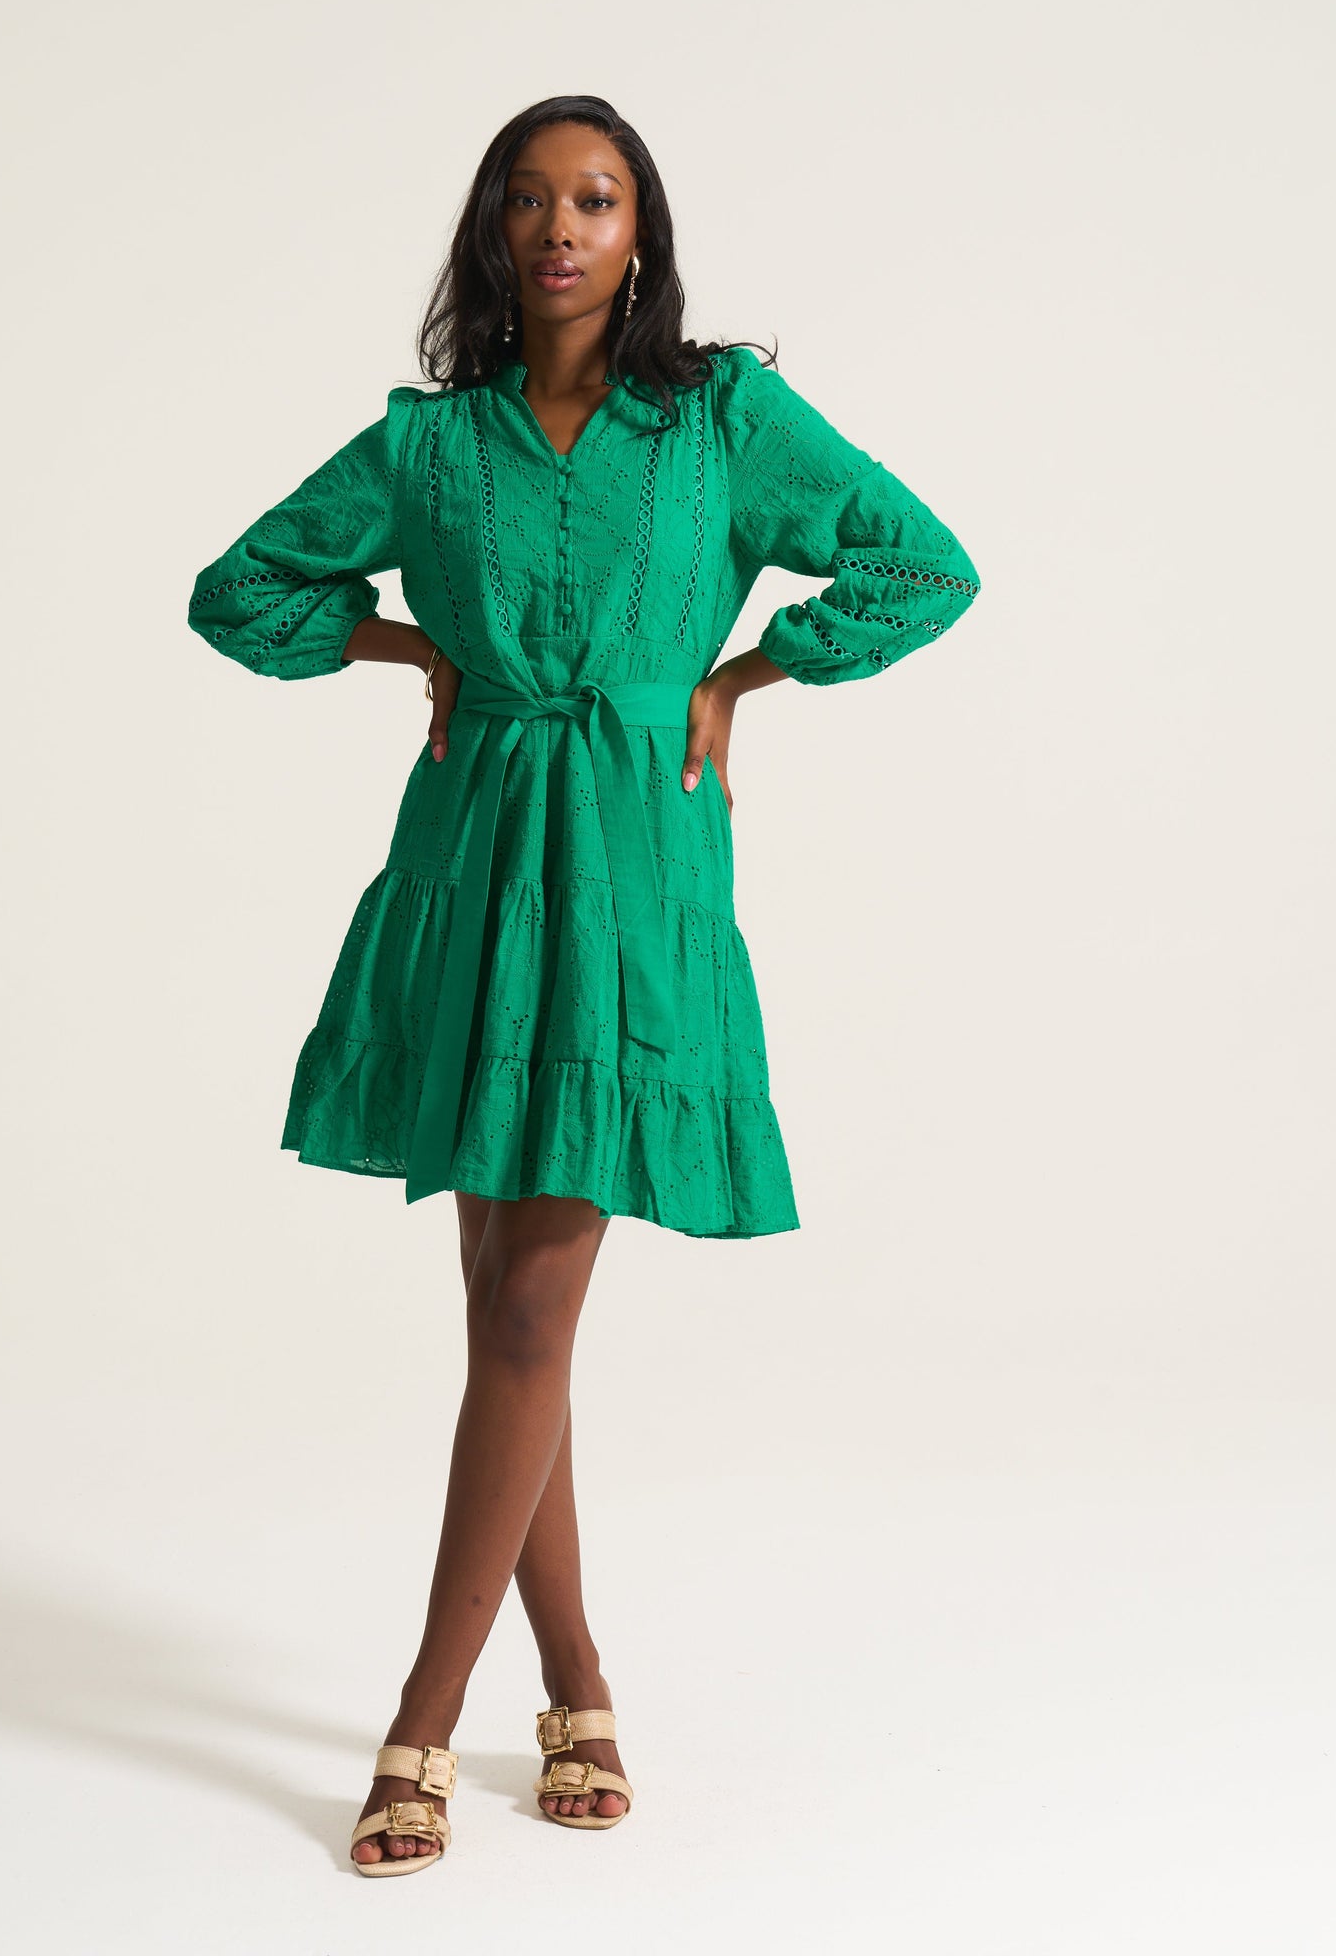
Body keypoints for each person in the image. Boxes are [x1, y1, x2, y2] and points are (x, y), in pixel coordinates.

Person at [187, 94, 981, 1877]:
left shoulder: (720, 421)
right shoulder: (429, 444)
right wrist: (399, 637)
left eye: (596, 199)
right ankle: (578, 1684)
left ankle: (418, 1720)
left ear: (640, 235)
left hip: (631, 877)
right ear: (491, 232)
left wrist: (743, 675)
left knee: (528, 1311)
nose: (560, 226)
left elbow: (922, 561)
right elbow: (236, 592)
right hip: (470, 872)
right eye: (529, 199)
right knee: (509, 1320)